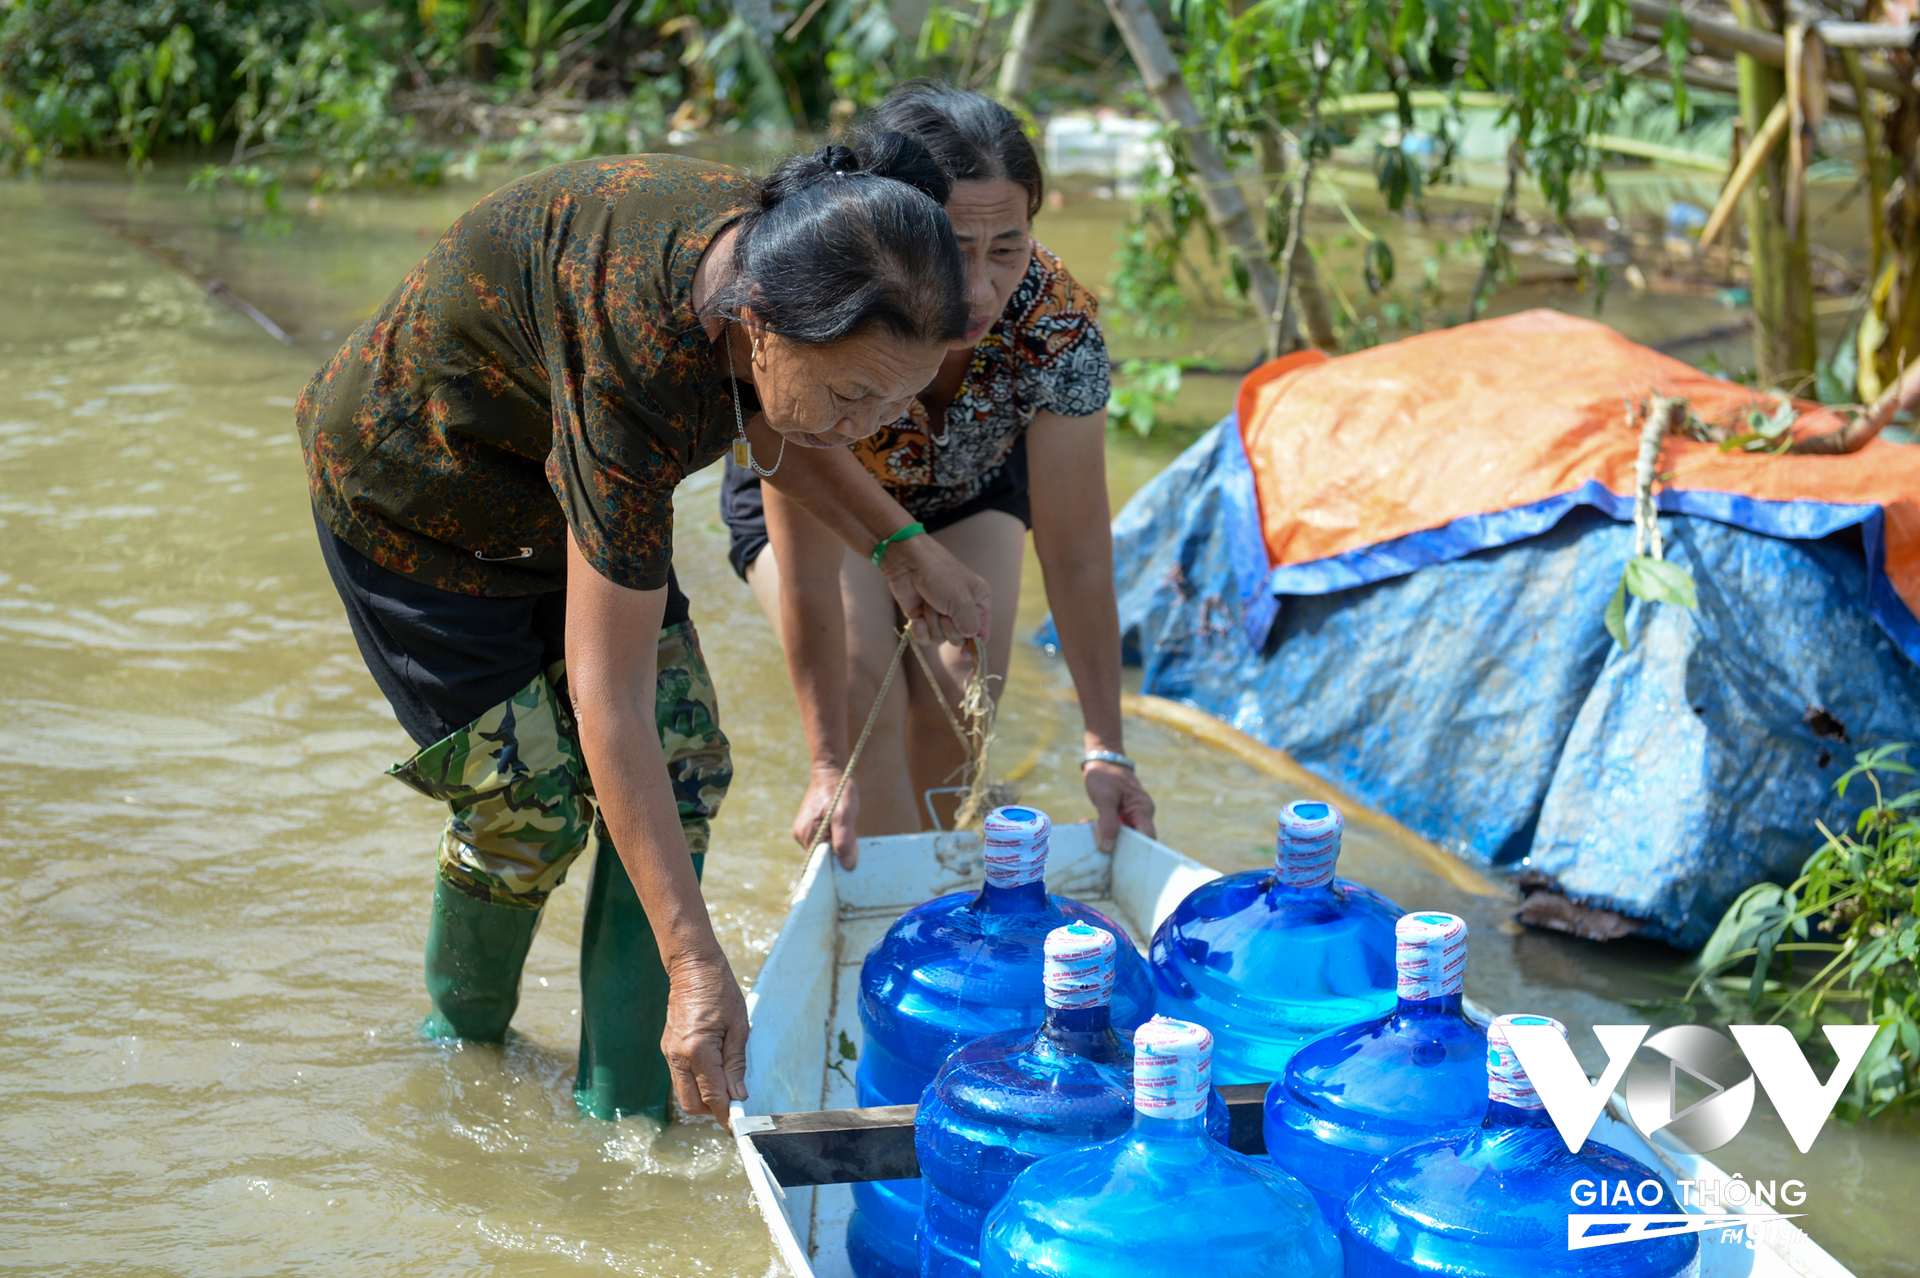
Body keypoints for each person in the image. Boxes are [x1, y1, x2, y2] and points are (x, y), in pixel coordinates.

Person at [297, 136, 988, 1130]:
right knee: (524, 805)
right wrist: (697, 959)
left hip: (564, 477)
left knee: (687, 765)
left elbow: (782, 428)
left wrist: (901, 543)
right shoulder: (643, 361)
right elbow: (604, 698)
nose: (871, 426)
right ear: (756, 330)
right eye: (854, 397)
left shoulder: (794, 250)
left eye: (896, 398)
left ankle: (629, 1112)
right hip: (418, 496)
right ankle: (462, 1063)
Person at [721, 82, 1156, 870]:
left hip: (964, 489)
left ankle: (951, 910)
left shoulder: (1056, 327)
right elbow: (814, 578)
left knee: (962, 703)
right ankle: (888, 930)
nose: (982, 290)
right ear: (895, 225)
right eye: (953, 250)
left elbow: (1079, 553)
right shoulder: (821, 307)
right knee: (867, 709)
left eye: (1008, 248)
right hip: (826, 495)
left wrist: (1107, 751)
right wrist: (828, 766)